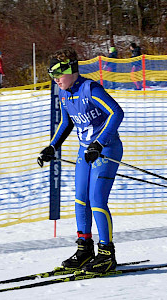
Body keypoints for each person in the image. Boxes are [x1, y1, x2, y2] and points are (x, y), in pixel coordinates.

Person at [37, 48, 124, 273]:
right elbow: (66, 123)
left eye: (59, 74)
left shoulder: (90, 89)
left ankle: (106, 254)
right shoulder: (63, 93)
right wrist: (52, 147)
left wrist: (100, 142)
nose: (56, 80)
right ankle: (85, 249)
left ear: (73, 70)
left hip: (106, 150)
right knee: (80, 199)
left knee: (96, 199)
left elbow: (117, 113)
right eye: (52, 76)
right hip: (85, 152)